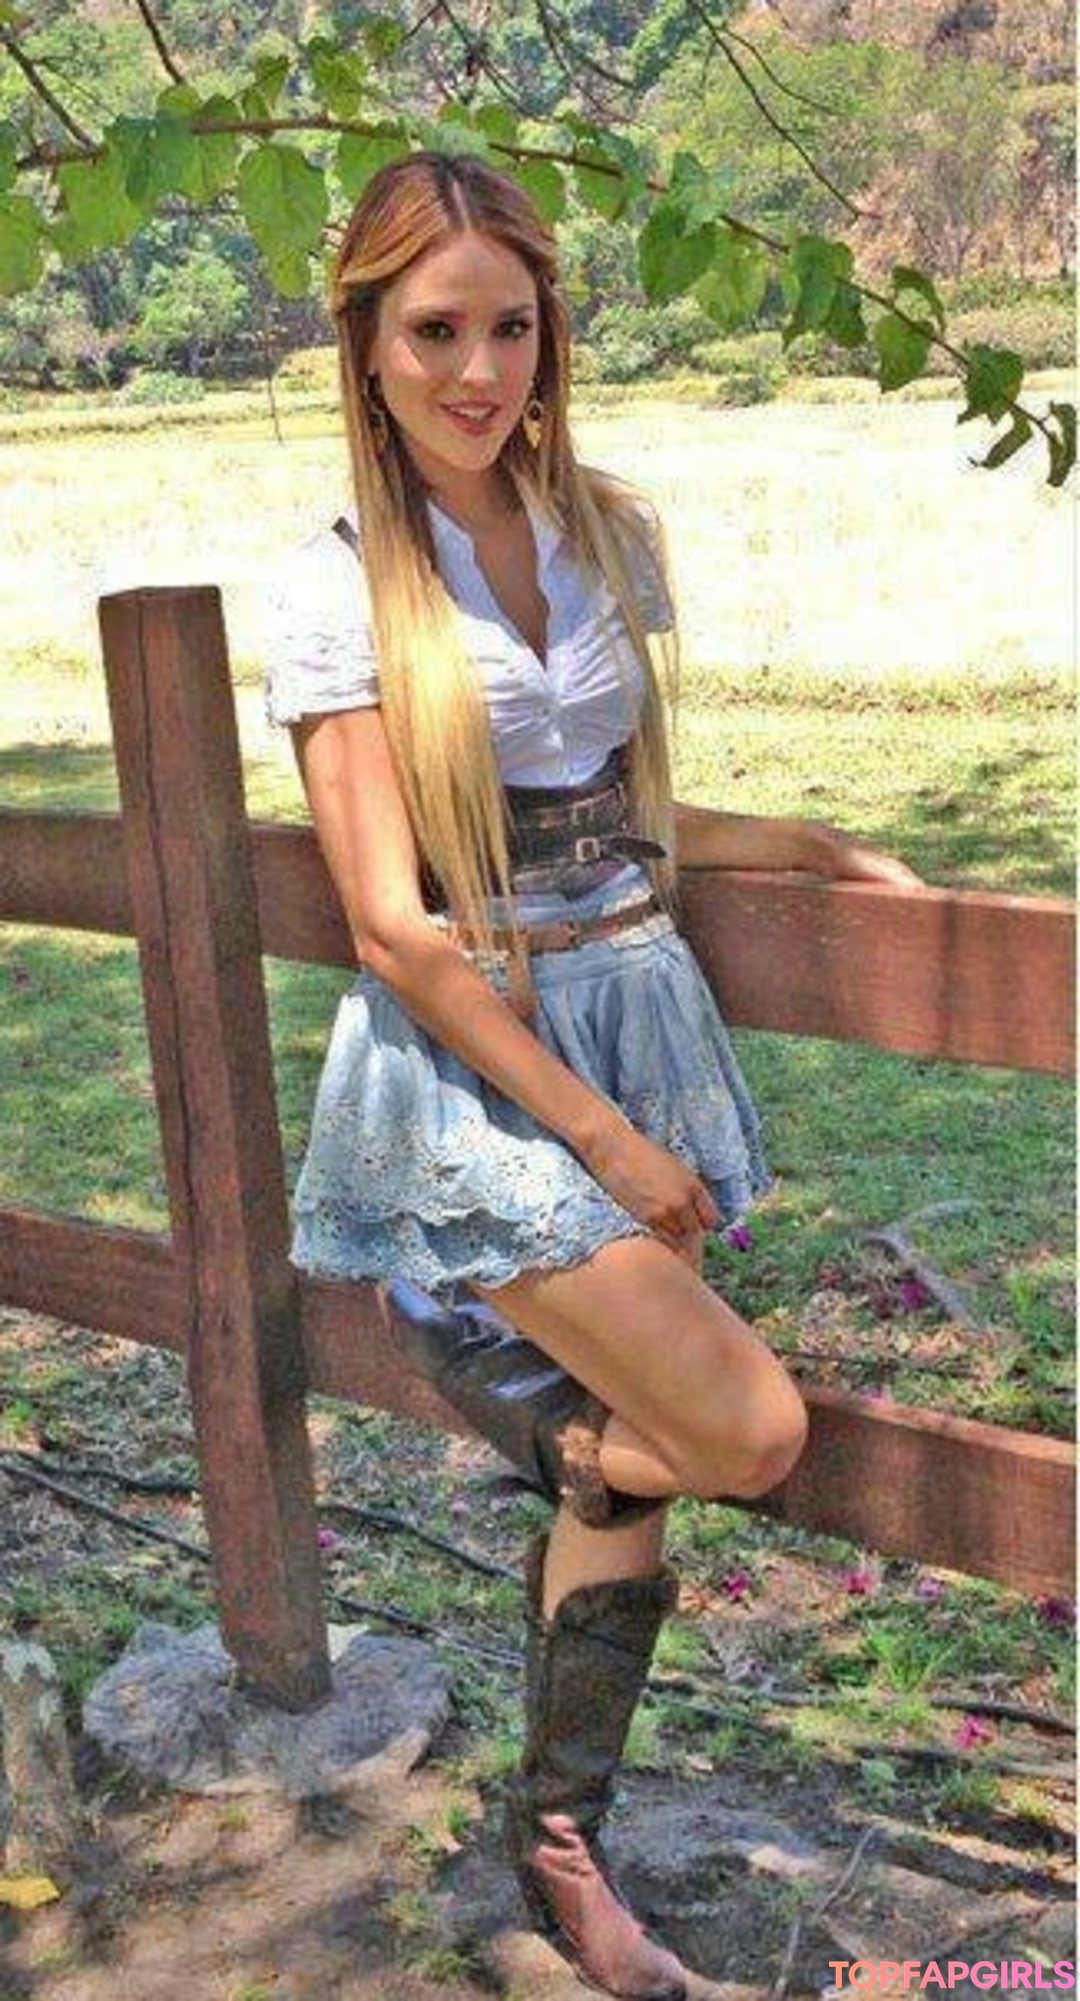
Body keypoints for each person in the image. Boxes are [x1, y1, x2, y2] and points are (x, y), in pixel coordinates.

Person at [264, 150, 920, 2001]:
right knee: (745, 1430)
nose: (479, 369)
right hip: (487, 1065)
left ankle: (564, 1853)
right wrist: (608, 1142)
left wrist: (811, 842)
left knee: (628, 1483)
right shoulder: (342, 588)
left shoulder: (606, 533)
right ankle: (488, 1375)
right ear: (367, 343)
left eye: (511, 325)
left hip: (639, 1002)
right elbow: (392, 925)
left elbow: (627, 817)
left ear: (550, 329)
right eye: (435, 329)